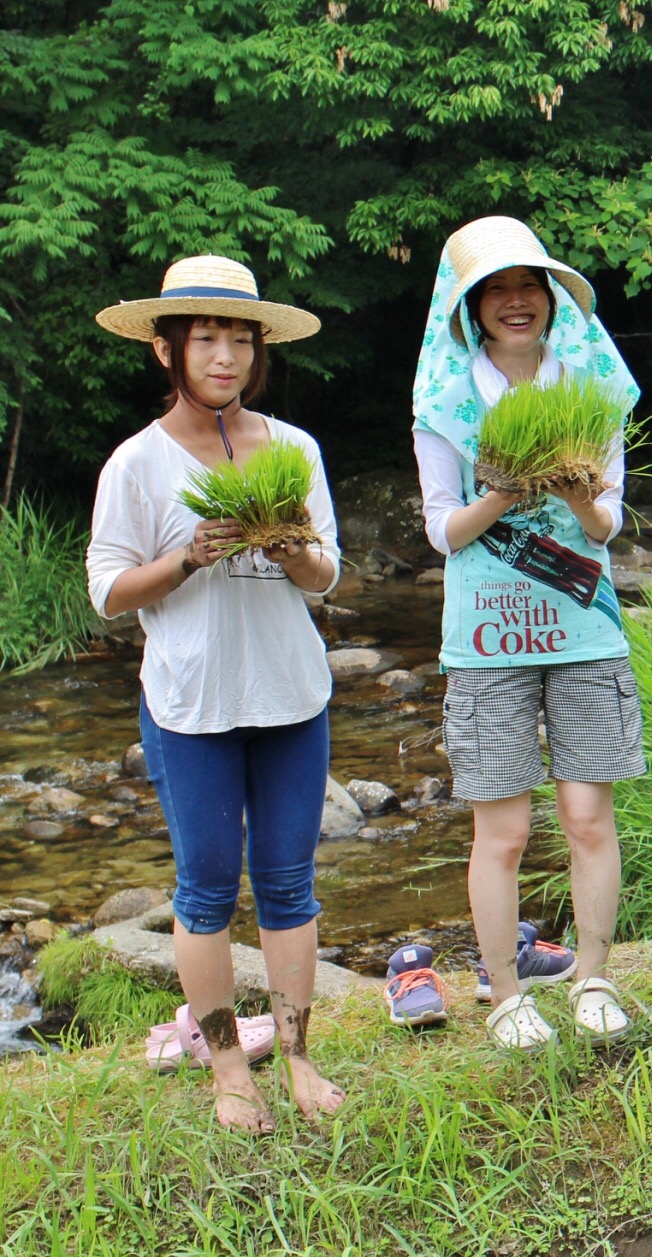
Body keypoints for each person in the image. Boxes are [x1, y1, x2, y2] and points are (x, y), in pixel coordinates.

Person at [86, 256, 346, 1133]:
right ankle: (229, 1067)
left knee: (289, 885)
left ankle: (301, 1057)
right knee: (203, 893)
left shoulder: (294, 448)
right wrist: (186, 557)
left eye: (241, 338)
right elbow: (109, 592)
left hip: (291, 700)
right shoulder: (137, 464)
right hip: (190, 709)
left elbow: (326, 575)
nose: (226, 356)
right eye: (207, 338)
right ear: (168, 351)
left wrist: (287, 549)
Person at [412, 216, 645, 1051]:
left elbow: (607, 523)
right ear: (473, 307)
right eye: (496, 290)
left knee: (588, 819)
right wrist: (504, 491)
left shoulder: (593, 385)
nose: (515, 302)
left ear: (551, 300)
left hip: (584, 631)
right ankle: (507, 995)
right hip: (485, 640)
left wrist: (580, 491)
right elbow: (443, 530)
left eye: (528, 286)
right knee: (502, 832)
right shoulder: (445, 397)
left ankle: (593, 978)